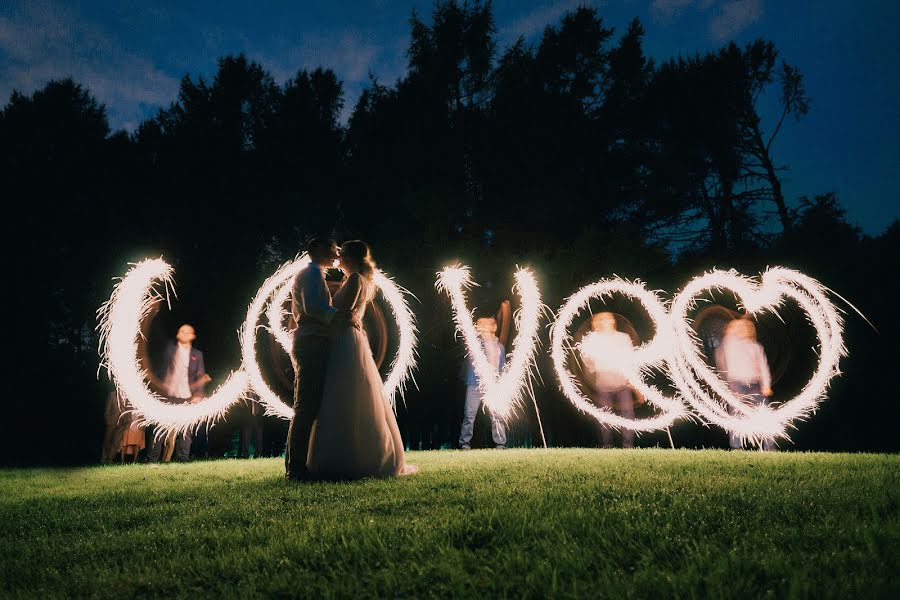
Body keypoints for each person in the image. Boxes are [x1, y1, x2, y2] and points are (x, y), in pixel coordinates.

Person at [306, 240, 416, 480]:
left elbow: (344, 311)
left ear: (351, 258)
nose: (338, 258)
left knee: (345, 394)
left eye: (342, 254)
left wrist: (329, 309)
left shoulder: (355, 279)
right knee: (350, 394)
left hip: (346, 341)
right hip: (346, 337)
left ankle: (352, 457)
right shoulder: (355, 279)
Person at [284, 237, 342, 480]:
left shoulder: (314, 273)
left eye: (335, 249)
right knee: (306, 407)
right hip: (310, 342)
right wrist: (341, 318)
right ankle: (295, 469)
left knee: (308, 406)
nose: (335, 253)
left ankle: (299, 464)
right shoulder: (310, 274)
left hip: (312, 341)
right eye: (330, 249)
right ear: (315, 250)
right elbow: (314, 308)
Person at [145, 324, 211, 463]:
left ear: (193, 336)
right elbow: (160, 369)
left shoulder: (197, 354)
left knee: (185, 429)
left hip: (186, 396)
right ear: (178, 335)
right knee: (160, 427)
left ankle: (183, 458)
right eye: (182, 331)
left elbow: (200, 375)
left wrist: (198, 395)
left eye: (188, 332)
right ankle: (152, 459)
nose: (185, 334)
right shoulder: (170, 350)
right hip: (168, 395)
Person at [715, 318, 775, 451]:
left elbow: (763, 367)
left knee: (765, 415)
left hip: (754, 385)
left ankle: (769, 447)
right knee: (736, 416)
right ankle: (736, 447)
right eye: (737, 327)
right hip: (736, 384)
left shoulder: (756, 347)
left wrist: (766, 385)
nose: (741, 329)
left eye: (744, 327)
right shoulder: (729, 344)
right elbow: (721, 358)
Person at [579, 312, 636, 449]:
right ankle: (606, 445)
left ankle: (628, 446)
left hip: (622, 382)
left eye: (609, 318)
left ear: (613, 321)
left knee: (628, 415)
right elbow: (585, 357)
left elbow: (631, 358)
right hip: (603, 382)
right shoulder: (594, 340)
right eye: (603, 319)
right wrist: (594, 367)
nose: (607, 321)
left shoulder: (623, 337)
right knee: (605, 415)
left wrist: (632, 377)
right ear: (599, 322)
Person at [458, 316, 508, 450]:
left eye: (488, 324)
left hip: (493, 385)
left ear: (494, 327)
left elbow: (502, 365)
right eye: (481, 324)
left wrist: (502, 383)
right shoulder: (475, 344)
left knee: (497, 415)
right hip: (475, 384)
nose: (484, 326)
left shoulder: (500, 346)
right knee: (469, 415)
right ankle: (464, 443)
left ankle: (500, 443)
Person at [101, 388, 125, 463]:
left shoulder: (126, 396)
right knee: (107, 440)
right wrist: (107, 419)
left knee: (116, 442)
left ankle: (110, 458)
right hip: (111, 421)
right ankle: (103, 458)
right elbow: (107, 408)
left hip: (121, 423)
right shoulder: (112, 395)